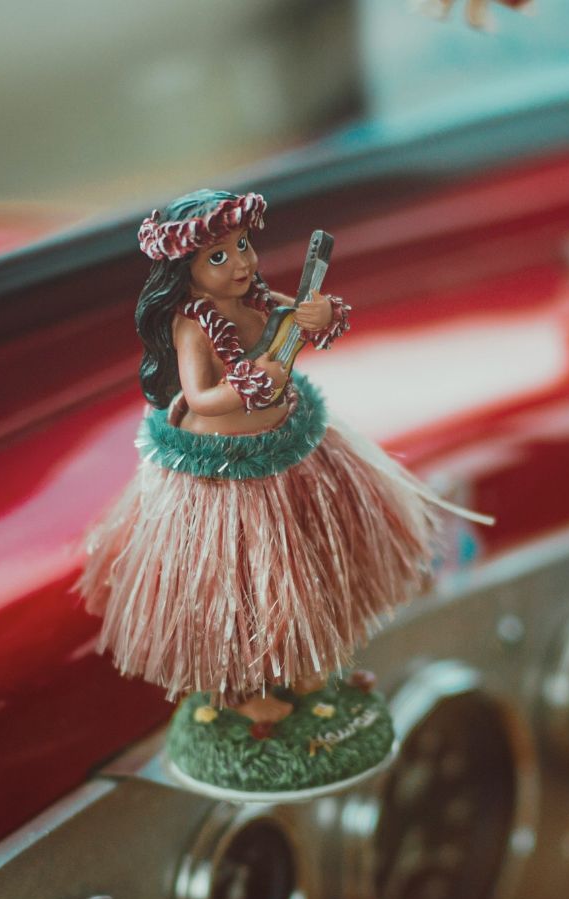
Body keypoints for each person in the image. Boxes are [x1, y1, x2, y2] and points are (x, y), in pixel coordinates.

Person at [77, 189, 487, 799]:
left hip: (289, 456)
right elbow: (201, 394)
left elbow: (309, 322)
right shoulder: (192, 325)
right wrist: (247, 385)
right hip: (223, 477)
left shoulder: (261, 300)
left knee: (310, 569)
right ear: (184, 269)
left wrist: (321, 318)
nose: (240, 263)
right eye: (219, 257)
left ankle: (299, 667)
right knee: (232, 586)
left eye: (242, 247)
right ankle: (242, 692)